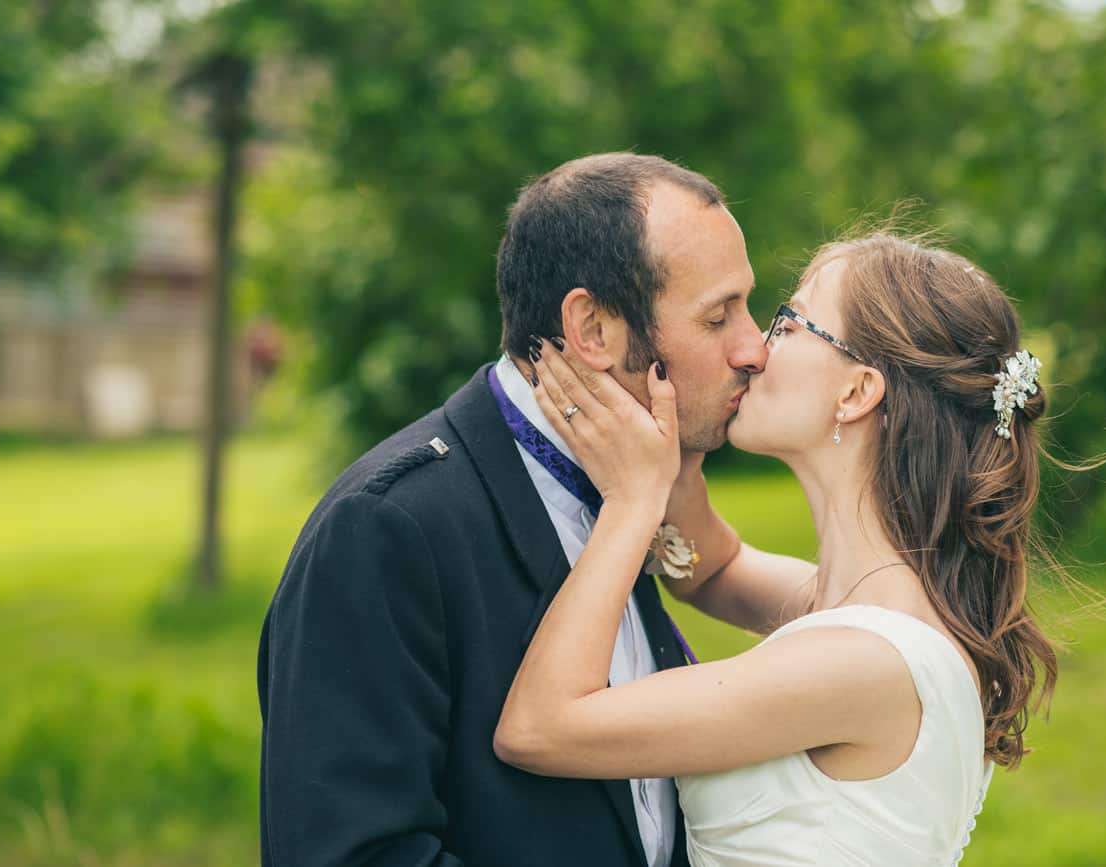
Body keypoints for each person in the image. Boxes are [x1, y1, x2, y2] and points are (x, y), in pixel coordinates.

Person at [257, 152, 767, 866]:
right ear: (591, 329)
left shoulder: (638, 479)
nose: (755, 348)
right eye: (718, 317)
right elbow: (353, 853)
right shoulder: (388, 529)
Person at [494, 232, 1058, 866]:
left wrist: (631, 503)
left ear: (855, 393)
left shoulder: (862, 663)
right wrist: (678, 451)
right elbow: (711, 572)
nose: (754, 349)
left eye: (790, 323)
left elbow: (539, 729)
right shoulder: (869, 608)